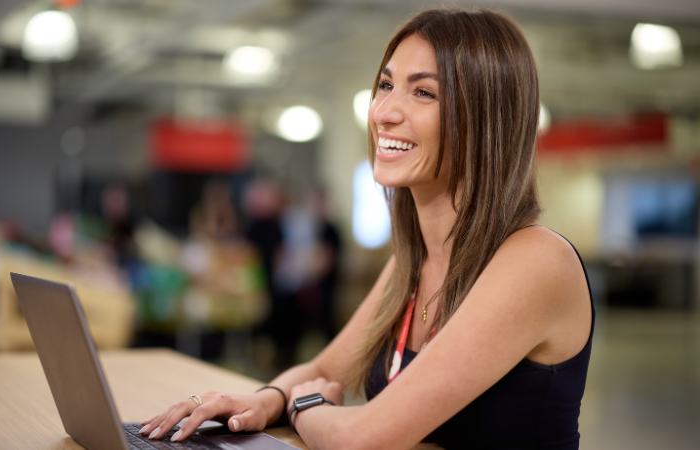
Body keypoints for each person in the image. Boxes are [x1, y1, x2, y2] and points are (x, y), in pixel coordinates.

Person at [138, 7, 593, 450]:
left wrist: (305, 405)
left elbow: (362, 437)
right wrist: (262, 401)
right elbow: (326, 368)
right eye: (386, 85)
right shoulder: (413, 263)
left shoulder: (535, 261)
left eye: (424, 93)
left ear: (486, 118)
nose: (383, 113)